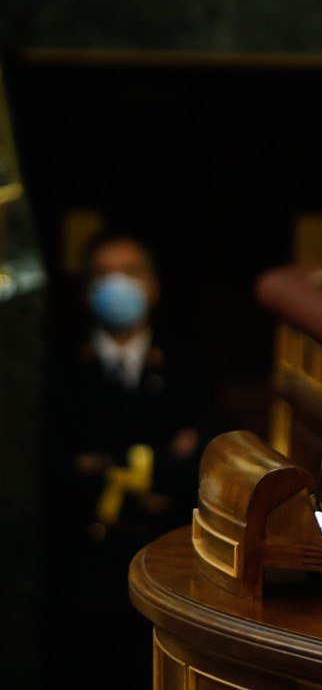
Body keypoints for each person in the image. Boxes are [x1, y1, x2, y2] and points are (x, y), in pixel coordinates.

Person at [45, 230, 206, 683]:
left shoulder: (186, 364)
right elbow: (54, 471)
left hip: (162, 568)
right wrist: (157, 460)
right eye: (104, 274)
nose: (118, 284)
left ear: (152, 286)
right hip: (76, 577)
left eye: (130, 272)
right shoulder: (56, 368)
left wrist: (100, 464)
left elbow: (195, 470)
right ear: (86, 290)